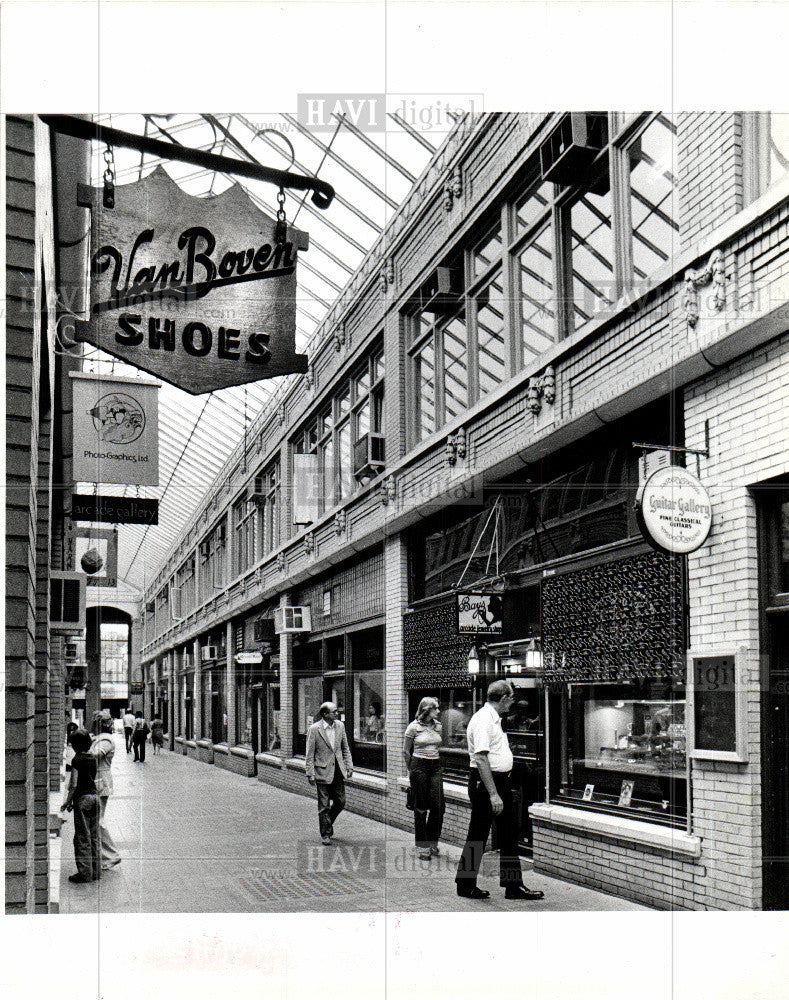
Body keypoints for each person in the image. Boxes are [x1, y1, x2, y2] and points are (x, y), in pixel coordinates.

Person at [455, 680, 545, 902]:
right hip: (487, 784)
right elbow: (481, 757)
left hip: (498, 782)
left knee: (508, 832)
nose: (513, 702)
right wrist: (494, 793)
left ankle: (513, 886)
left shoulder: (494, 720)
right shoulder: (484, 720)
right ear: (503, 698)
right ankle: (465, 885)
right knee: (478, 833)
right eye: (511, 698)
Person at [305, 702, 354, 845]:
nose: (337, 713)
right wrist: (310, 773)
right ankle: (325, 833)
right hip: (322, 771)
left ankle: (328, 822)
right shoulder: (314, 729)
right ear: (325, 714)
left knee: (341, 802)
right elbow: (310, 753)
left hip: (338, 771)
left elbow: (345, 748)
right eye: (334, 711)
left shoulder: (340, 726)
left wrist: (349, 766)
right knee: (324, 805)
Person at [403, 697, 445, 861]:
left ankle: (432, 841)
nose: (439, 711)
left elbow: (437, 746)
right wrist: (411, 769)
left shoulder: (438, 726)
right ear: (426, 710)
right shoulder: (413, 727)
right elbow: (406, 751)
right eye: (436, 708)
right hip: (418, 765)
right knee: (421, 806)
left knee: (439, 805)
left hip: (435, 766)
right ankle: (423, 847)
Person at [61, 728, 101, 883]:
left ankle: (85, 873)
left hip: (83, 800)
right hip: (95, 798)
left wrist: (67, 801)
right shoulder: (93, 758)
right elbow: (91, 779)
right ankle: (96, 872)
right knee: (94, 836)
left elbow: (74, 784)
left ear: (76, 745)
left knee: (82, 837)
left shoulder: (77, 760)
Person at [90, 711, 122, 871]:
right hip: (97, 782)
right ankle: (104, 855)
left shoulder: (106, 740)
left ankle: (111, 855)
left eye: (94, 721)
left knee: (98, 821)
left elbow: (94, 755)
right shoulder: (98, 739)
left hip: (101, 783)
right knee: (96, 821)